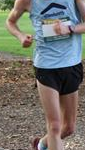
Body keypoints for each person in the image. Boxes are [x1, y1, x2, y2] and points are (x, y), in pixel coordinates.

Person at [6, 0, 85, 150]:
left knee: (68, 128)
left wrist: (70, 28)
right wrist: (21, 36)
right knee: (54, 126)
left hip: (71, 64)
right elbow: (10, 22)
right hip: (46, 66)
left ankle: (41, 144)